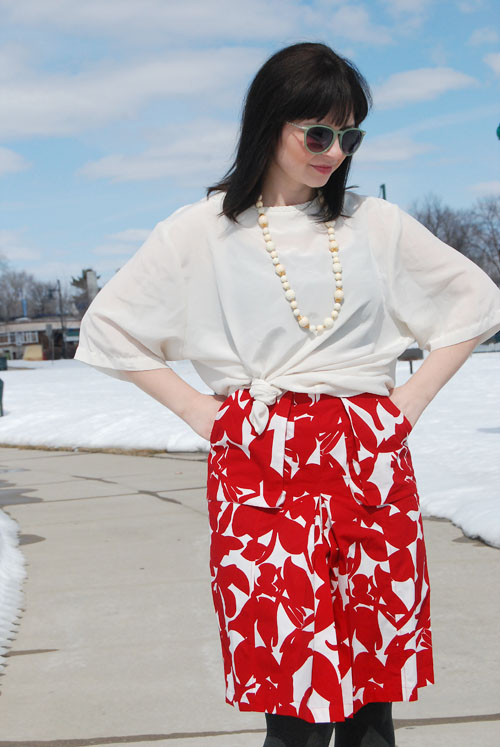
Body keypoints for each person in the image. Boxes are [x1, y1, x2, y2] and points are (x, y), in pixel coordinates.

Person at [74, 42, 500, 747]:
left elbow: (477, 303)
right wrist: (203, 414)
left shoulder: (374, 224)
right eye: (319, 133)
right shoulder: (200, 231)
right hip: (260, 457)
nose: (335, 152)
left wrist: (408, 405)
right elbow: (109, 328)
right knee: (292, 697)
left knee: (371, 694)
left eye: (350, 137)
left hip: (366, 457)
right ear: (269, 123)